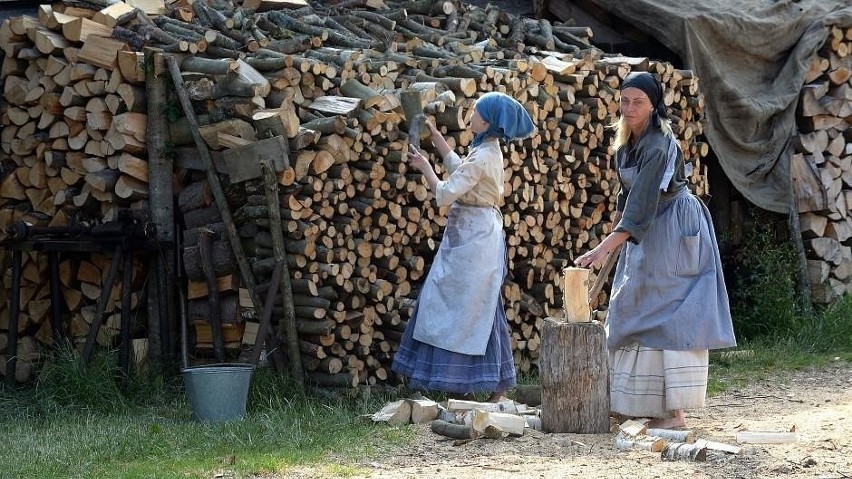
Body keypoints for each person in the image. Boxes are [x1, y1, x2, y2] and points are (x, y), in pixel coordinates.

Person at [574, 72, 736, 428]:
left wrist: (601, 249)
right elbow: (625, 198)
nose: (630, 108)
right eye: (625, 100)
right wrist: (615, 232)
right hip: (643, 231)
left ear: (653, 105)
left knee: (668, 310)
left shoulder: (660, 145)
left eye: (639, 102)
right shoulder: (626, 141)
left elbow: (641, 206)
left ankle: (675, 414)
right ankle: (633, 402)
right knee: (633, 302)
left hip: (673, 228)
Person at [391, 92, 536, 402]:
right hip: (471, 236)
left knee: (472, 310)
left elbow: (446, 192)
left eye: (475, 113)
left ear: (487, 121)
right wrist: (438, 139)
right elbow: (461, 167)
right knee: (471, 309)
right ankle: (485, 384)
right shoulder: (485, 149)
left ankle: (482, 384)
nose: (470, 116)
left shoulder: (485, 156)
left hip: (476, 242)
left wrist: (425, 167)